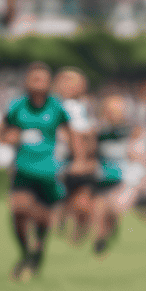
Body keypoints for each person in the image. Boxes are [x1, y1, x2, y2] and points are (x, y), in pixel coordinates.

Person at [0, 62, 70, 281]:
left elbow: (71, 133)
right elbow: (2, 132)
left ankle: (36, 255)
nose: (38, 83)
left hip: (49, 171)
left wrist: (78, 158)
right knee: (18, 211)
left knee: (41, 223)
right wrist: (13, 137)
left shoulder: (57, 107)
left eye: (43, 79)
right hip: (23, 168)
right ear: (27, 82)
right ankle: (26, 252)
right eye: (34, 78)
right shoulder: (17, 106)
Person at [90, 95, 146, 257]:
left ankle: (109, 231)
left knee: (113, 209)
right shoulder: (99, 129)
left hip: (121, 176)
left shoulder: (131, 130)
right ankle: (100, 239)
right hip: (102, 175)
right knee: (99, 209)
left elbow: (137, 153)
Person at [52, 66, 95, 244]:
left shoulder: (79, 107)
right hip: (61, 160)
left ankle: (74, 237)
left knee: (80, 203)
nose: (68, 86)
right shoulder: (58, 106)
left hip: (71, 161)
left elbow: (83, 135)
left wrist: (82, 158)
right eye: (65, 81)